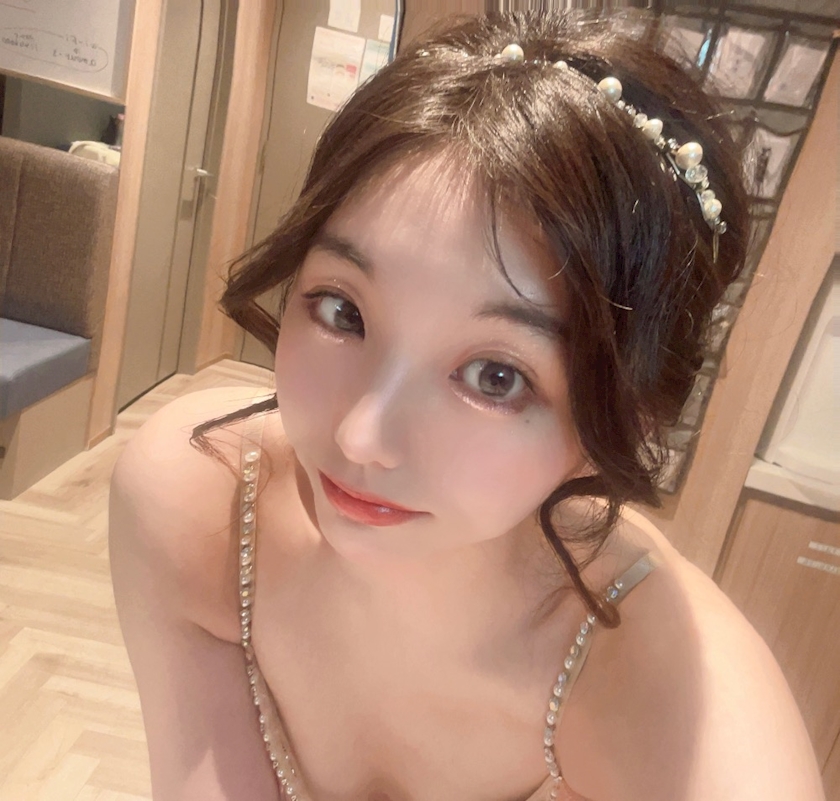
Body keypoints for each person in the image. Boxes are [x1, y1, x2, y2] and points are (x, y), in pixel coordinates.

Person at [108, 11, 826, 801]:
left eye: (494, 376)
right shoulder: (201, 503)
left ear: (625, 416)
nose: (362, 435)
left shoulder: (693, 727)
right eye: (343, 311)